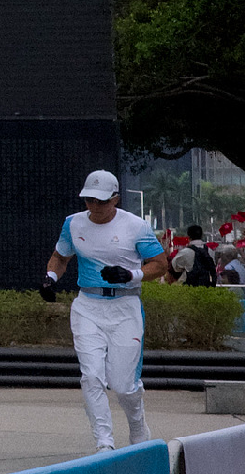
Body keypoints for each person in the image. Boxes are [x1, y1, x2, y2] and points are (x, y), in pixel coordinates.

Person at [41, 169, 171, 453]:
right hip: (88, 306)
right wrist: (50, 278)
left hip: (125, 307)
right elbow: (60, 257)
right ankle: (104, 442)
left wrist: (130, 275)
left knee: (123, 385)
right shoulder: (73, 224)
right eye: (89, 200)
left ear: (115, 199)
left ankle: (138, 427)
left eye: (101, 201)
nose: (95, 206)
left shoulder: (136, 227)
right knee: (91, 375)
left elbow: (160, 264)